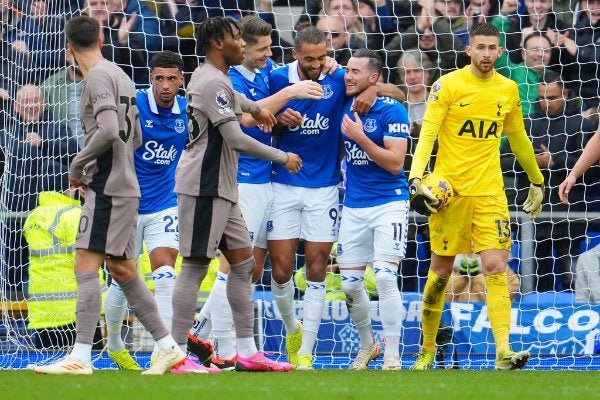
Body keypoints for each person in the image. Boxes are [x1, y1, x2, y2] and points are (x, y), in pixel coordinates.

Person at [32, 15, 184, 375]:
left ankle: (81, 357)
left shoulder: (98, 76)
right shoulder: (121, 75)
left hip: (108, 186)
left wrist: (78, 165)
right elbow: (135, 137)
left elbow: (110, 129)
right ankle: (167, 346)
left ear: (68, 50)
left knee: (85, 265)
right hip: (124, 183)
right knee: (121, 269)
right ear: (100, 37)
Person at [186, 15, 324, 370]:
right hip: (241, 178)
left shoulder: (265, 73)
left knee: (248, 266)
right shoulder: (227, 78)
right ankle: (204, 338)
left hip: (266, 182)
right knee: (232, 266)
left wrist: (283, 112)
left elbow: (271, 106)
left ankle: (223, 347)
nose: (267, 54)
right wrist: (287, 96)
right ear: (240, 46)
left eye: (269, 48)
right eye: (260, 49)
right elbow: (243, 122)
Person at [408, 22, 544, 371]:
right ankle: (426, 350)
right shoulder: (447, 86)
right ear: (469, 49)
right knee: (439, 274)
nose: (486, 54)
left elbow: (518, 139)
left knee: (496, 266)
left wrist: (537, 179)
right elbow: (428, 134)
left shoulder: (508, 89)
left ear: (500, 52)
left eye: (491, 48)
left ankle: (503, 352)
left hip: (490, 193)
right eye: (479, 47)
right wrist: (416, 177)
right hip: (449, 193)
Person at [267, 25, 404, 371]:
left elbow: (396, 92)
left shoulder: (341, 80)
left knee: (321, 269)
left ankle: (307, 355)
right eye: (309, 59)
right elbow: (256, 115)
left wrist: (371, 91)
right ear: (295, 53)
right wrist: (279, 116)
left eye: (321, 58)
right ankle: (296, 330)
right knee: (283, 271)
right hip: (284, 184)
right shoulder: (277, 79)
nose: (316, 65)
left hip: (330, 189)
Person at [101, 51, 189, 371]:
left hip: (164, 204)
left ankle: (162, 352)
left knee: (165, 275)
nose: (165, 85)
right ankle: (113, 343)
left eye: (172, 79)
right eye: (159, 78)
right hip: (126, 205)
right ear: (150, 79)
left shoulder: (188, 111)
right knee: (123, 281)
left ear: (181, 80)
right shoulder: (134, 105)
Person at [338, 48, 410, 370]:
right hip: (353, 205)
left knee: (383, 277)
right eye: (347, 70)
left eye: (355, 71)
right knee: (350, 284)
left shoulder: (392, 111)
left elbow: (396, 164)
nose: (348, 76)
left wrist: (359, 137)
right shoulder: (345, 99)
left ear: (373, 77)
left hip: (389, 202)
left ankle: (393, 355)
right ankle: (369, 346)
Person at [503, 70, 597, 291]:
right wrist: (530, 163)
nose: (546, 103)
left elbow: (593, 171)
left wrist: (554, 161)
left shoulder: (581, 125)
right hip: (531, 215)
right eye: (542, 98)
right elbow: (502, 162)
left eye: (552, 97)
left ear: (565, 93)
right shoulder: (525, 125)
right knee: (534, 278)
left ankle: (576, 320)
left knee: (570, 275)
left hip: (568, 214)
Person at [24, 188, 104, 350]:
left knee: (47, 363)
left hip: (43, 309)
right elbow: (88, 256)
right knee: (89, 362)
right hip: (76, 305)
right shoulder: (75, 214)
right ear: (66, 189)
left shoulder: (34, 216)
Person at [40, 46, 86, 150]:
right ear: (67, 55)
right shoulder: (50, 85)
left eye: (86, 54)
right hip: (64, 157)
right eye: (77, 54)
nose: (82, 59)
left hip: (99, 157)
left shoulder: (104, 82)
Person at [445, 253, 520, 302]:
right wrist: (461, 277)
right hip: (455, 314)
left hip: (489, 314)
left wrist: (480, 278)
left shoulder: (499, 266)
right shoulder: (450, 266)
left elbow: (511, 289)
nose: (472, 243)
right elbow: (444, 297)